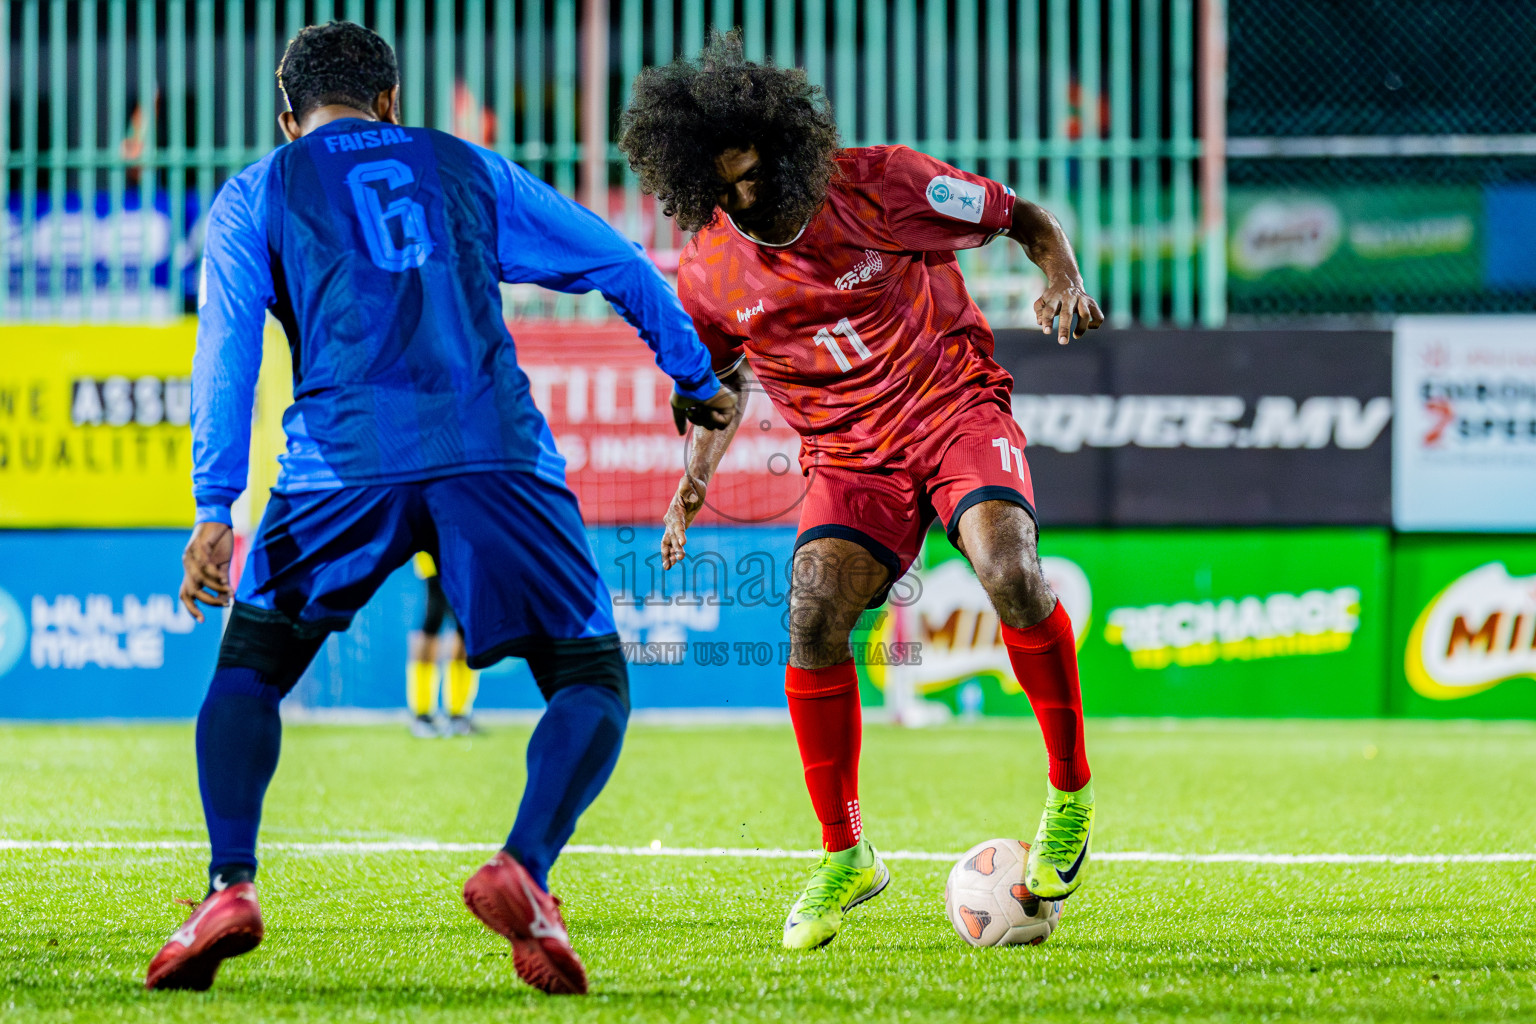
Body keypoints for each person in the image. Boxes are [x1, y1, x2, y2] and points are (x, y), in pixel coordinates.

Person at [149, 21, 735, 995]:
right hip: (493, 451)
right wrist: (696, 377)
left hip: (339, 463)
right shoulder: (465, 166)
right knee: (590, 679)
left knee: (249, 670)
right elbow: (621, 263)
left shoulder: (258, 191)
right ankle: (525, 868)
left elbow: (227, 351)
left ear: (288, 116)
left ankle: (229, 885)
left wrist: (216, 503)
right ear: (390, 102)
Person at [619, 34, 1105, 951]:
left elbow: (1024, 218)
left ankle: (1070, 794)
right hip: (848, 457)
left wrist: (1063, 280)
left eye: (755, 176)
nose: (745, 201)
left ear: (789, 149)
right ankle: (847, 855)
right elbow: (719, 387)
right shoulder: (709, 272)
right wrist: (693, 480)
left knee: (1009, 570)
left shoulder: (885, 184)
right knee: (810, 618)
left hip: (951, 407)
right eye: (723, 190)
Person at [407, 551, 478, 737]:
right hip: (433, 553)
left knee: (464, 625)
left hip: (462, 553)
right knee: (433, 618)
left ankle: (458, 713)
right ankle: (422, 712)